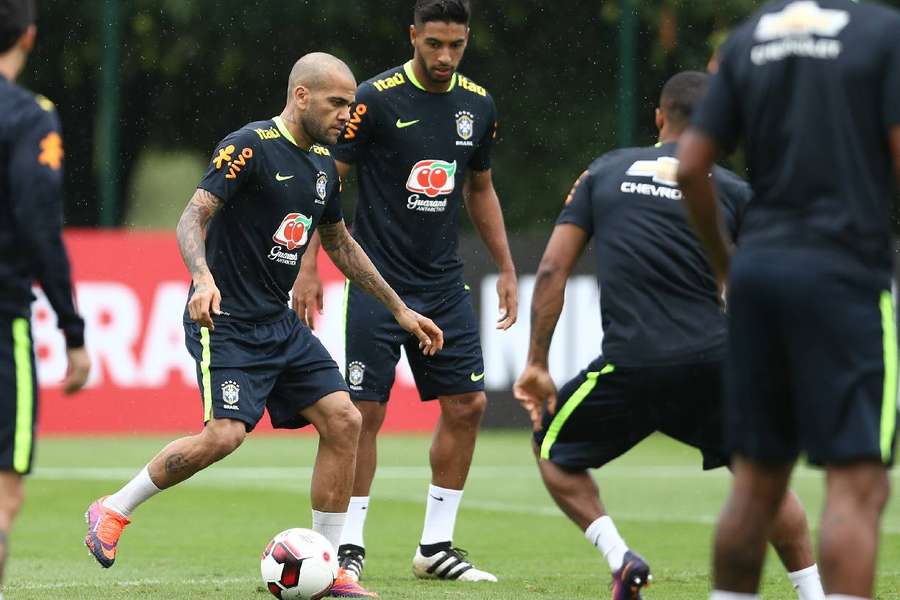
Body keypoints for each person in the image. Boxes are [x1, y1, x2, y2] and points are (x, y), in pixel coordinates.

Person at [83, 52, 444, 599]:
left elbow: (339, 243)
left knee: (345, 421)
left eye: (351, 104)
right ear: (301, 95)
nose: (348, 113)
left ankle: (331, 567)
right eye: (337, 102)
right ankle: (113, 508)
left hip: (278, 324)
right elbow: (192, 216)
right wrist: (202, 278)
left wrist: (400, 308)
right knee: (223, 437)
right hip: (225, 321)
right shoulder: (247, 145)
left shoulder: (324, 165)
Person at [514, 72, 825, 600]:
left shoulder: (605, 172)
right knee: (761, 481)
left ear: (659, 117)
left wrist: (538, 361)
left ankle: (621, 558)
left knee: (551, 450)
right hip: (716, 362)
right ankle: (814, 593)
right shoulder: (734, 191)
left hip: (631, 365)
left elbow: (550, 272)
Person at [676, 1, 900, 598]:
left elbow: (690, 166)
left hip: (759, 276)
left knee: (756, 484)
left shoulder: (750, 39)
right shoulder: (883, 33)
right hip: (845, 273)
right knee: (857, 486)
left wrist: (728, 263)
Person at [293, 0, 516, 583]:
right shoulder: (372, 98)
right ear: (413, 35)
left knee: (469, 405)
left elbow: (481, 190)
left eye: (456, 46)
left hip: (443, 283)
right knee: (365, 411)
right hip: (377, 279)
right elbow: (327, 180)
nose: (445, 57)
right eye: (434, 43)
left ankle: (436, 547)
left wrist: (508, 268)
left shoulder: (478, 105)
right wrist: (308, 264)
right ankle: (349, 547)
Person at [0, 1, 92, 597]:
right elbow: (39, 228)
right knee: (4, 492)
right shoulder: (30, 117)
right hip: (1, 317)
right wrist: (73, 331)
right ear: (30, 35)